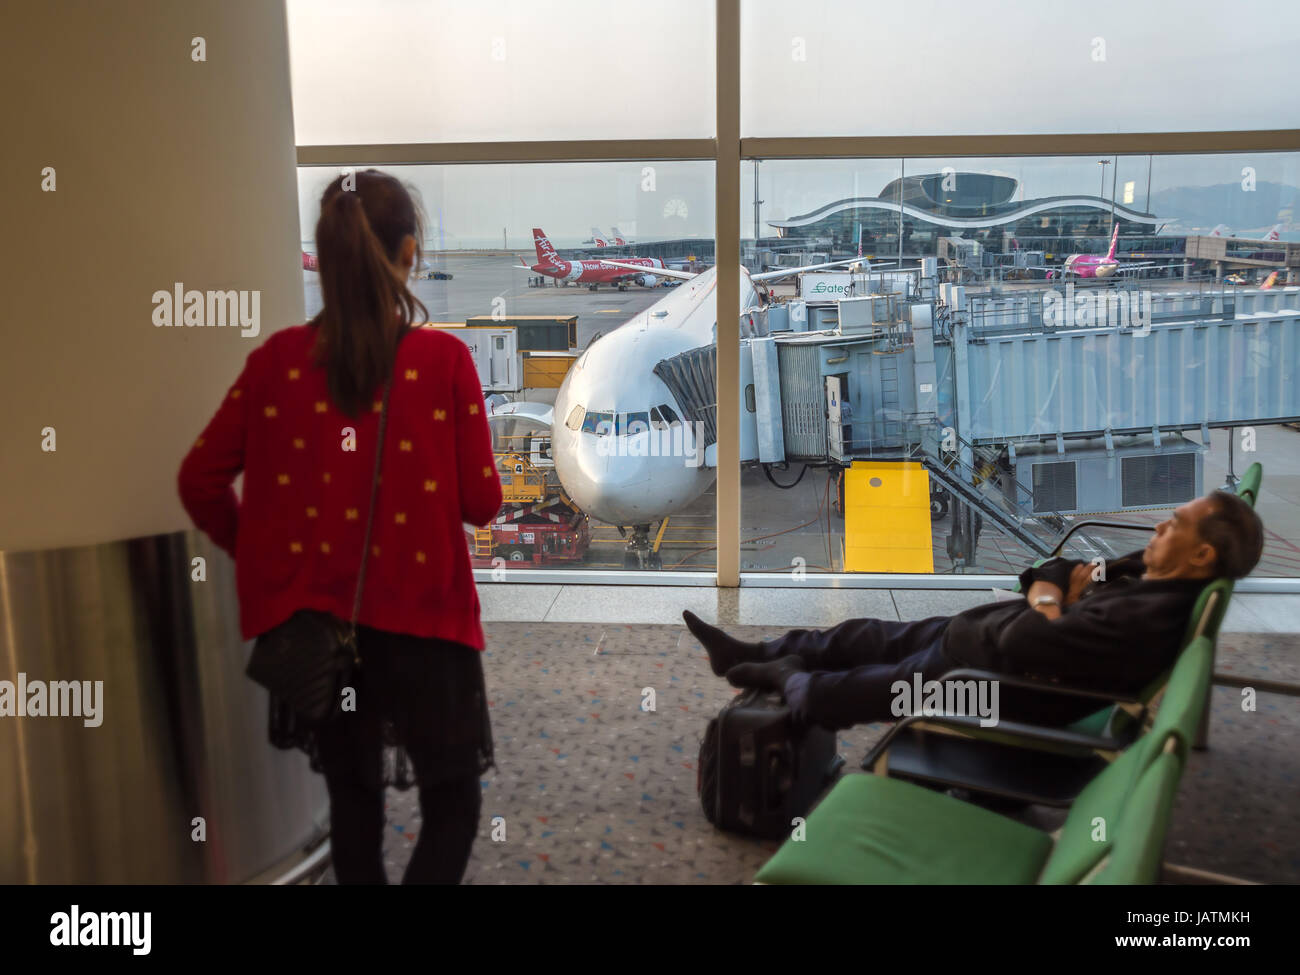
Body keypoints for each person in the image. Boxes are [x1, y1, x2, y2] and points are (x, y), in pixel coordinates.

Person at [178, 169, 503, 884]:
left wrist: (265, 555)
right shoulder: (442, 361)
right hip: (426, 635)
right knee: (453, 803)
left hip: (324, 637)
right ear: (409, 253)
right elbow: (483, 503)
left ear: (323, 262)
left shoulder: (274, 366)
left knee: (352, 808)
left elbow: (197, 479)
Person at [684, 491, 1263, 730]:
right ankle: (759, 652)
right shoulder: (1147, 568)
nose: (1160, 525)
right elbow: (1057, 573)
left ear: (1202, 553)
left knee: (853, 690)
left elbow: (1030, 641)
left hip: (992, 682)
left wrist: (1050, 600)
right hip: (982, 640)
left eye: (1175, 525)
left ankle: (791, 679)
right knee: (867, 634)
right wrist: (1053, 600)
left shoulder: (1145, 617)